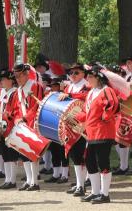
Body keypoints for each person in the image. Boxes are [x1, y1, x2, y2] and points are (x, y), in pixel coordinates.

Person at [75, 65, 119, 204]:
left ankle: (104, 194)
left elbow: (114, 106)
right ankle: (95, 192)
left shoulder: (107, 90)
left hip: (103, 132)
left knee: (103, 162)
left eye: (90, 76)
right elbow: (87, 112)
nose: (87, 78)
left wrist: (104, 118)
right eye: (87, 76)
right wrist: (75, 117)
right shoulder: (91, 92)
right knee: (90, 161)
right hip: (92, 132)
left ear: (98, 78)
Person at [58, 63, 90, 196]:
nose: (73, 75)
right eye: (71, 73)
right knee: (74, 155)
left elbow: (86, 98)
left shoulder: (87, 85)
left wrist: (69, 95)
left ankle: (82, 186)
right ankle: (79, 184)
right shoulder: (69, 86)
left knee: (81, 155)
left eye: (76, 73)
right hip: (70, 125)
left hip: (82, 125)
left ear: (83, 73)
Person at [12, 63, 44, 191]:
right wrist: (16, 119)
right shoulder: (18, 91)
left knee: (32, 153)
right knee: (24, 153)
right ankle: (29, 180)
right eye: (16, 77)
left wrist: (25, 118)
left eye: (20, 76)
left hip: (33, 122)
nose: (18, 79)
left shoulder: (35, 86)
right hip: (22, 123)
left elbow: (37, 105)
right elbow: (16, 108)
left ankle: (35, 182)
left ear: (26, 74)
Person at [0, 70, 19, 190]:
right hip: (2, 124)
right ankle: (7, 179)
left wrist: (6, 116)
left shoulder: (15, 92)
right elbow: (1, 107)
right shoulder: (3, 91)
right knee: (4, 153)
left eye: (4, 79)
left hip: (10, 126)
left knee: (11, 153)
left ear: (10, 80)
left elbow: (15, 110)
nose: (1, 82)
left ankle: (12, 180)